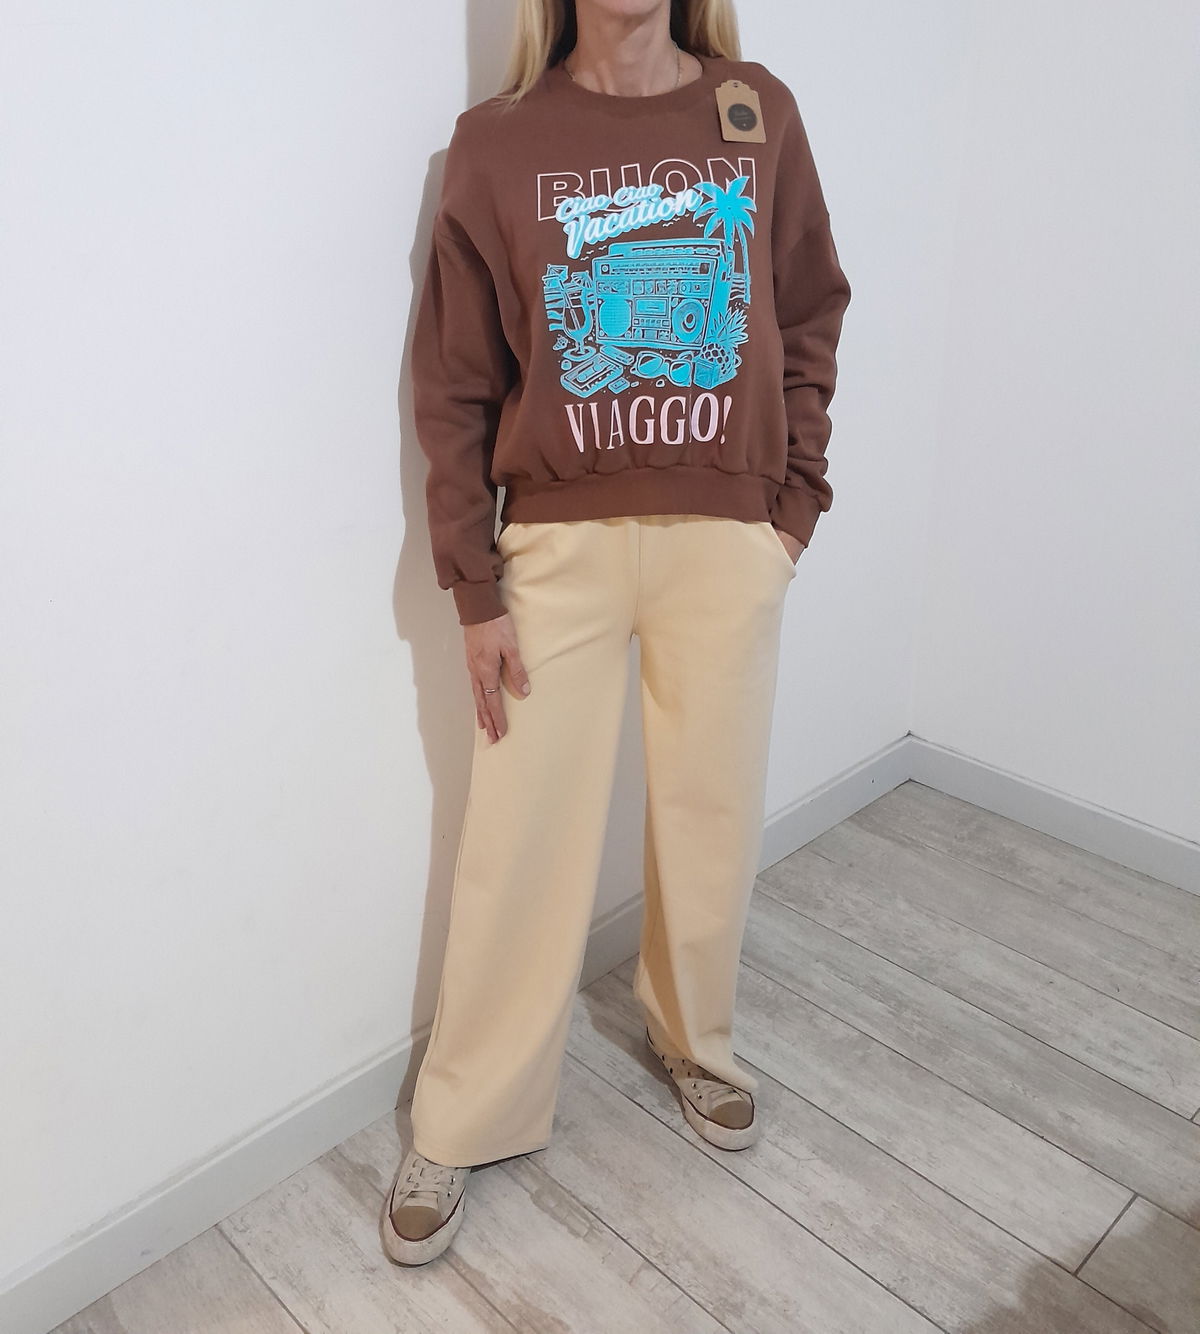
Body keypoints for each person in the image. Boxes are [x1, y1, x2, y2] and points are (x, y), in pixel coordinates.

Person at [383, 0, 851, 1267]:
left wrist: (794, 506)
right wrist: (474, 585)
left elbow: (809, 306)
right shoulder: (497, 142)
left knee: (711, 807)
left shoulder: (754, 112)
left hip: (727, 537)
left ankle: (697, 1037)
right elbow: (455, 381)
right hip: (558, 546)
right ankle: (466, 1108)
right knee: (519, 833)